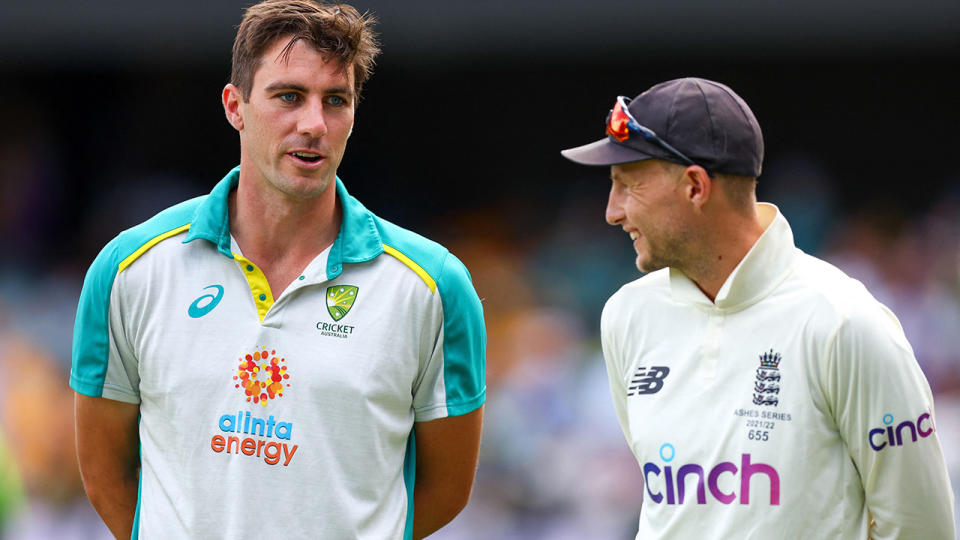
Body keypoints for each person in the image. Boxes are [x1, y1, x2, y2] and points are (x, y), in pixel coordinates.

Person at [70, 2, 486, 538]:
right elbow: (107, 477)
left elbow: (445, 490)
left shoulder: (434, 285)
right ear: (235, 105)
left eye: (336, 100)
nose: (314, 124)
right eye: (289, 96)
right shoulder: (129, 269)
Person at [561, 77, 956, 538]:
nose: (612, 211)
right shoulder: (627, 315)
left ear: (694, 187)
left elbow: (922, 527)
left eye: (628, 185)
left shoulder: (844, 322)